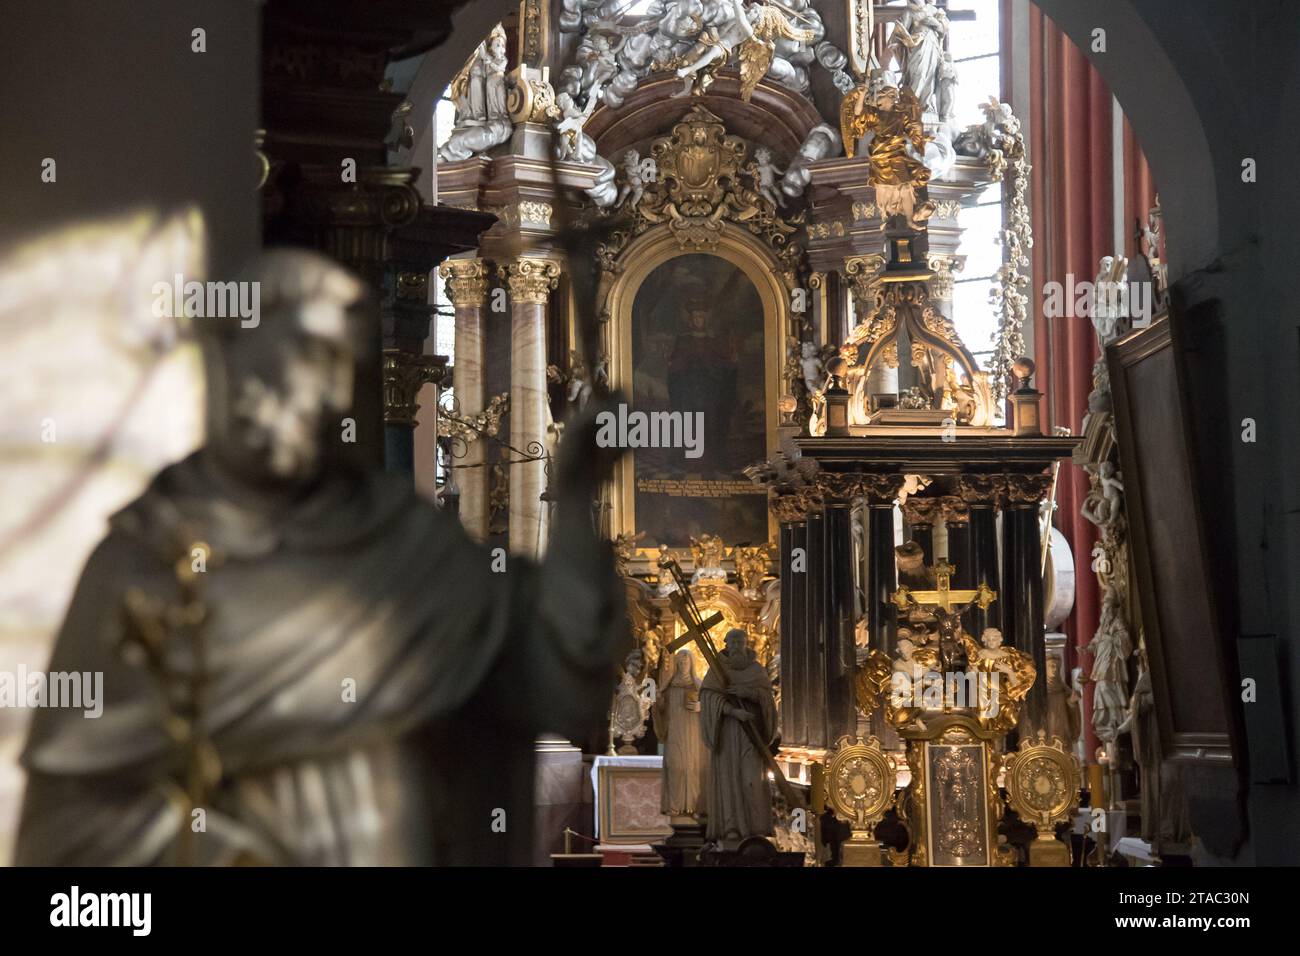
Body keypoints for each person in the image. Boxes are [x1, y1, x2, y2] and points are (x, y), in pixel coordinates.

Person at [15, 249, 629, 866]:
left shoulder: (406, 546)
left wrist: (575, 494)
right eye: (316, 355)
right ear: (232, 351)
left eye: (351, 370)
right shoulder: (141, 568)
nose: (335, 394)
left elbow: (559, 676)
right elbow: (66, 839)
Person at [700, 628, 777, 846]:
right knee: (728, 779)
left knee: (751, 779)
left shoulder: (756, 670)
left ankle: (755, 826)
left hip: (750, 735)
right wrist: (732, 711)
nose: (735, 646)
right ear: (725, 644)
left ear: (746, 644)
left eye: (739, 642)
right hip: (726, 733)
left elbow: (767, 700)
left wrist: (749, 694)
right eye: (731, 642)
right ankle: (731, 827)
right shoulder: (716, 670)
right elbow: (708, 697)